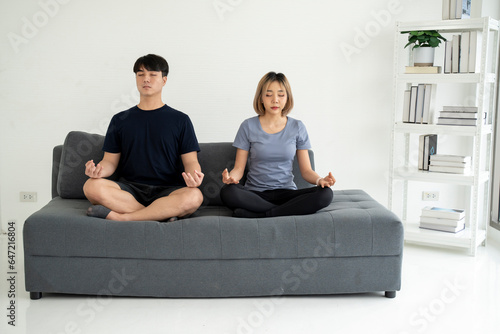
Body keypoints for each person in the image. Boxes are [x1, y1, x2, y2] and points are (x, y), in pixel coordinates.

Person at [83, 54, 204, 222]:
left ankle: (123, 218)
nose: (146, 79)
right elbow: (109, 161)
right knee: (91, 186)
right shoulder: (120, 120)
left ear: (164, 80)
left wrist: (194, 177)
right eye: (140, 75)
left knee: (194, 196)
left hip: (168, 190)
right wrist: (98, 171)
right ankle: (160, 214)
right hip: (130, 190)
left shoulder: (180, 120)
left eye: (153, 74)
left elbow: (190, 161)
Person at [220, 72, 335, 218]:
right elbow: (238, 169)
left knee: (325, 194)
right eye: (268, 95)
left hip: (287, 193)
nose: (275, 100)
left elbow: (306, 171)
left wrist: (321, 180)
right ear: (261, 98)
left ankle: (263, 214)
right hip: (255, 194)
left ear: (287, 98)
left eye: (281, 95)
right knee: (228, 192)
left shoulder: (297, 127)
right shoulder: (247, 126)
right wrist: (231, 178)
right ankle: (283, 211)